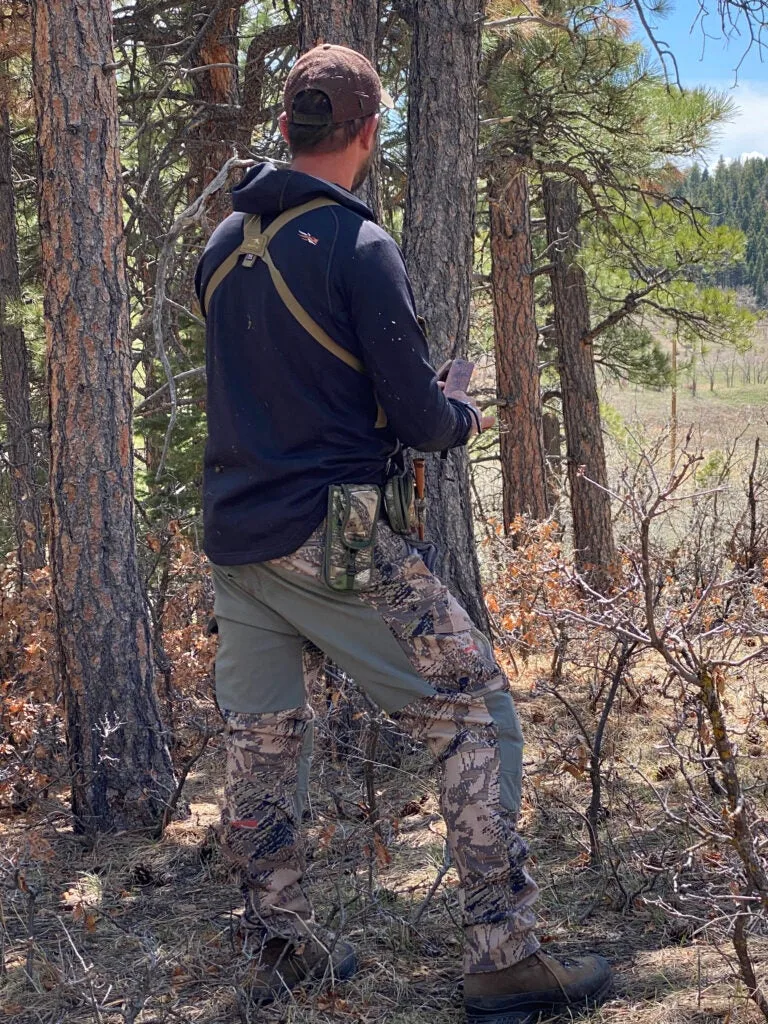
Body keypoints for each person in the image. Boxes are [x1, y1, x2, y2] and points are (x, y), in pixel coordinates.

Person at [195, 42, 612, 1024]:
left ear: (291, 126)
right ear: (369, 134)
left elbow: (276, 387)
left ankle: (283, 948)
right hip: (333, 534)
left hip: (236, 541)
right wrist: (458, 412)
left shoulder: (220, 248)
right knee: (473, 707)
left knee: (261, 748)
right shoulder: (359, 248)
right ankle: (505, 957)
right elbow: (419, 423)